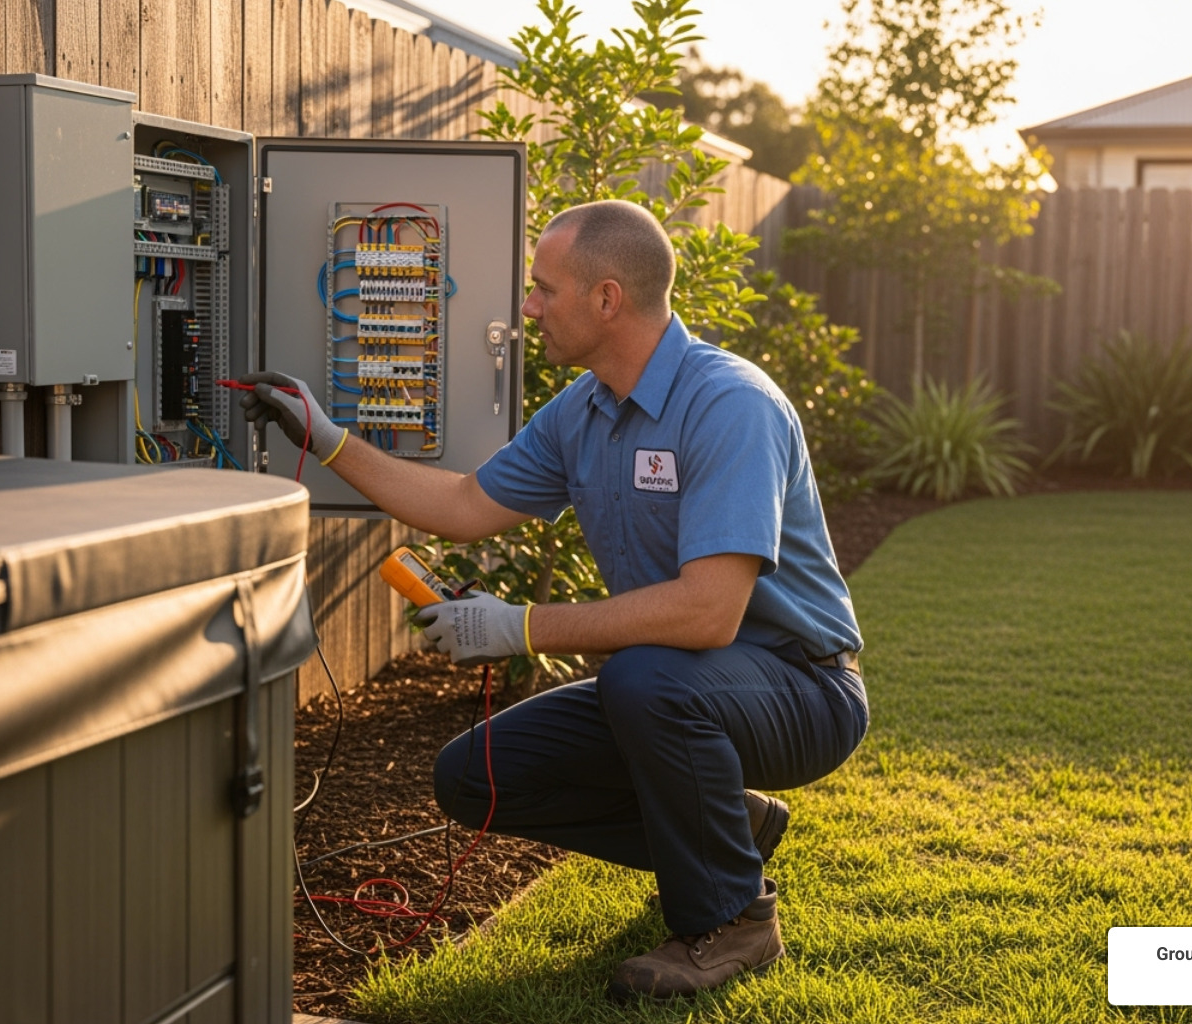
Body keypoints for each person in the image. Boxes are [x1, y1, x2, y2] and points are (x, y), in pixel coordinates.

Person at [241, 199, 867, 1000]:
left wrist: (520, 627)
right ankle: (730, 829)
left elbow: (709, 614)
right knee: (476, 775)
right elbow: (466, 504)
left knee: (641, 679)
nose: (528, 307)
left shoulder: (729, 406)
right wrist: (322, 436)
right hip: (681, 683)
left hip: (800, 686)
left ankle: (729, 920)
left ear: (607, 299)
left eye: (544, 289)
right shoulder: (585, 410)